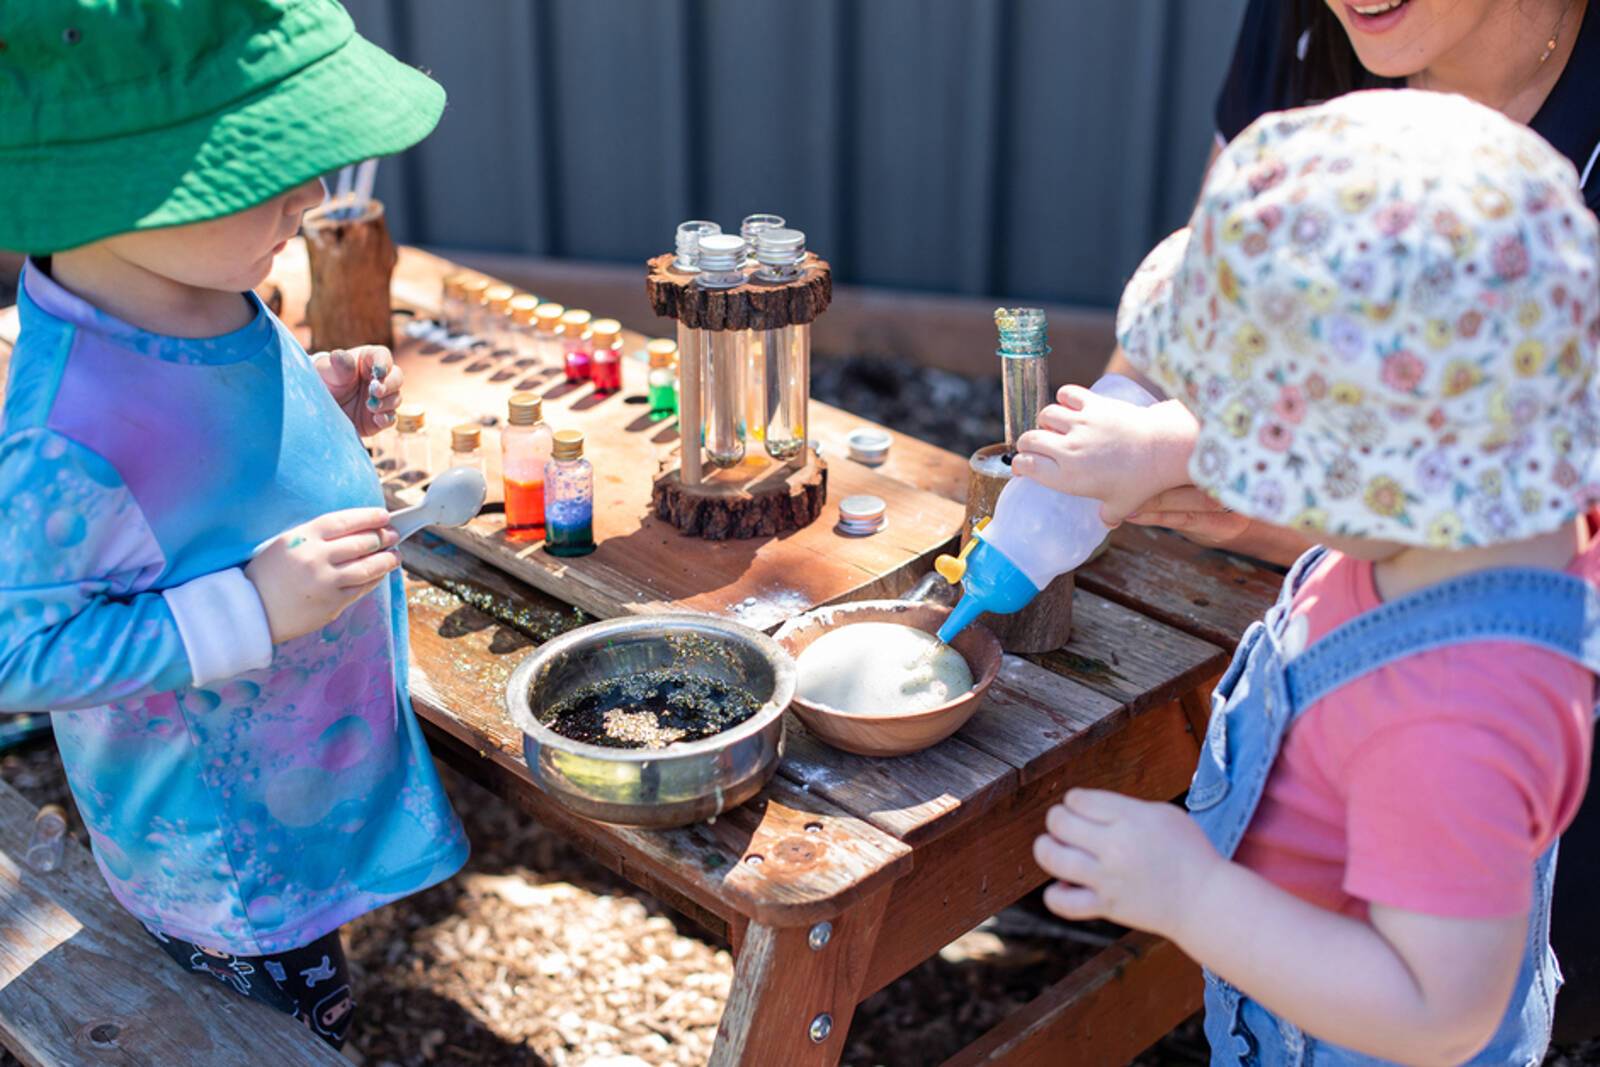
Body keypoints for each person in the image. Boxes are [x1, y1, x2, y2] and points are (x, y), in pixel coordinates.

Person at [1031, 90, 1600, 1064]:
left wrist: (1191, 893)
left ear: (1371, 462)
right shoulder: (1457, 530)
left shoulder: (1451, 714)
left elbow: (1436, 1008)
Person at [0, 0, 469, 1047]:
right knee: (279, 1033)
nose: (306, 195)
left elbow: (196, 438)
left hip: (288, 772)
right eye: (259, 169)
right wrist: (247, 608)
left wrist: (308, 396)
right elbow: (18, 651)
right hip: (224, 853)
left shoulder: (188, 289)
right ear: (111, 182)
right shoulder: (69, 430)